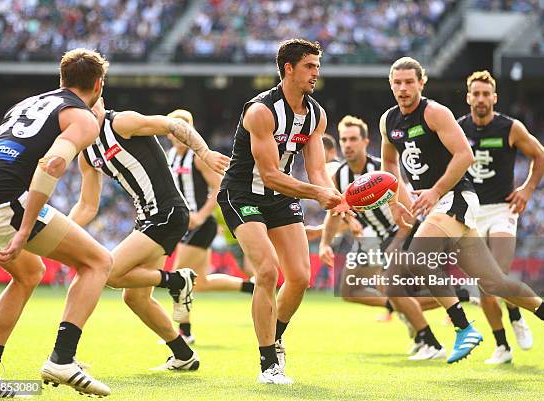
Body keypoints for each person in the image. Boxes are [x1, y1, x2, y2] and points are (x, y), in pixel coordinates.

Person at [380, 57, 544, 364]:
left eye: (409, 82)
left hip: (457, 196)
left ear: (422, 83)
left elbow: (465, 155)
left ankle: (463, 328)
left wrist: (434, 191)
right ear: (391, 85)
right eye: (398, 83)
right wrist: (397, 201)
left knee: (417, 257)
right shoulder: (388, 121)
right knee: (494, 283)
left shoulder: (435, 113)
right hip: (437, 203)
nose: (403, 88)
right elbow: (389, 164)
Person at [0, 48, 112, 397]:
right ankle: (63, 359)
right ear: (98, 84)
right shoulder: (83, 118)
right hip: (3, 203)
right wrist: (23, 230)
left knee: (29, 273)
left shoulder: (27, 104)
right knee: (99, 261)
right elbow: (52, 163)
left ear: (61, 80)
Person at [217, 39, 347, 384]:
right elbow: (272, 173)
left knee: (301, 277)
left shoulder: (317, 115)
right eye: (309, 66)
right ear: (288, 68)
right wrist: (317, 193)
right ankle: (268, 365)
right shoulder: (261, 111)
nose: (316, 73)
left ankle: (274, 337)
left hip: (279, 196)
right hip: (241, 193)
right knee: (266, 271)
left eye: (318, 66)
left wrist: (333, 195)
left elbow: (317, 170)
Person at [69, 99, 230, 371]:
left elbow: (176, 124)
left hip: (166, 213)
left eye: (94, 106)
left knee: (106, 270)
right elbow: (87, 206)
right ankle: (183, 355)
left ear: (101, 99)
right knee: (135, 298)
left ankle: (177, 280)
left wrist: (205, 153)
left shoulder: (120, 122)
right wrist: (54, 231)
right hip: (147, 219)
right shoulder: (87, 153)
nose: (90, 112)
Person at [319, 115, 448, 360]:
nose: (348, 144)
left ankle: (431, 340)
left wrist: (395, 246)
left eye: (353, 139)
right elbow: (336, 212)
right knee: (348, 290)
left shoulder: (382, 172)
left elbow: (409, 215)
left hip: (401, 232)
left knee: (393, 288)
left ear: (366, 142)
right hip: (373, 237)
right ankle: (414, 318)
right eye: (344, 139)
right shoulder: (340, 176)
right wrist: (325, 243)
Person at [459, 70, 544, 364]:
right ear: (468, 97)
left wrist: (527, 188)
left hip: (502, 210)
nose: (482, 99)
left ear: (494, 98)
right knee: (486, 284)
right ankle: (503, 345)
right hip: (471, 212)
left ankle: (514, 315)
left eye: (487, 94)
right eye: (477, 93)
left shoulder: (510, 128)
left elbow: (542, 156)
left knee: (494, 277)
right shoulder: (458, 129)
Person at [166, 109, 254, 345]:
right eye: (174, 130)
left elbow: (218, 189)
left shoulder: (197, 158)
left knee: (178, 276)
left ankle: (184, 332)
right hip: (187, 225)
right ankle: (251, 287)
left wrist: (200, 215)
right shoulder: (170, 156)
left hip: (200, 226)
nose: (178, 135)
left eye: (183, 130)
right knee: (200, 282)